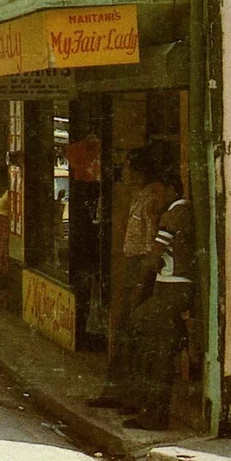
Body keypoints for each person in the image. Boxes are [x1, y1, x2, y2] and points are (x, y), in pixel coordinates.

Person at [89, 147, 169, 410]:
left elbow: (152, 245)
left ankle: (132, 396)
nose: (123, 172)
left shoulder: (151, 198)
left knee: (133, 331)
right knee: (123, 330)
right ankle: (117, 392)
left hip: (143, 268)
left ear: (140, 171)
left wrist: (143, 281)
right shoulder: (139, 195)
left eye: (127, 167)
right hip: (134, 265)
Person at [124, 169, 194, 431]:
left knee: (156, 351)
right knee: (156, 347)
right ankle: (149, 410)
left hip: (172, 288)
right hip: (171, 288)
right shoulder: (179, 212)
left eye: (160, 190)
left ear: (172, 190)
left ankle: (152, 414)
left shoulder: (175, 213)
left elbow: (154, 257)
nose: (157, 196)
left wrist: (138, 291)